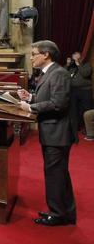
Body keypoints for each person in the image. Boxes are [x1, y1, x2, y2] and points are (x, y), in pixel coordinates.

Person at [17, 40, 76, 226]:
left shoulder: (59, 73)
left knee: (55, 174)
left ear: (46, 54)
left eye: (34, 53)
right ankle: (64, 211)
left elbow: (58, 103)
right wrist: (31, 97)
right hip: (52, 131)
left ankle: (58, 214)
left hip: (57, 133)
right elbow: (49, 97)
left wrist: (31, 106)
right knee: (58, 174)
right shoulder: (48, 73)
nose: (32, 57)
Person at [66, 51, 92, 134]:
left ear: (81, 57)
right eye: (74, 56)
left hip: (85, 90)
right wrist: (67, 64)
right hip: (73, 91)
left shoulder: (86, 65)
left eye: (77, 55)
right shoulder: (72, 67)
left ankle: (88, 129)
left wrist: (78, 63)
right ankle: (75, 127)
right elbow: (63, 73)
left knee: (86, 109)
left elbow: (85, 73)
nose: (75, 57)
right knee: (74, 109)